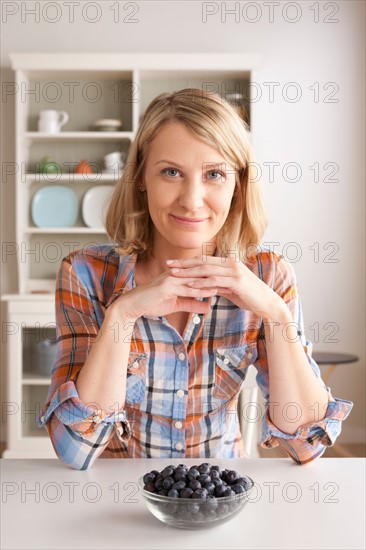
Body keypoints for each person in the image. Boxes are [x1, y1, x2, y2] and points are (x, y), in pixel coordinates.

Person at [37, 88, 353, 470]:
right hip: (114, 503)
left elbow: (306, 445)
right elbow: (75, 451)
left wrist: (276, 315)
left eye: (214, 174)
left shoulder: (268, 275)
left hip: (219, 498)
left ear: (238, 184)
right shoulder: (86, 274)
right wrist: (121, 316)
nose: (192, 199)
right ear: (140, 176)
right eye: (171, 172)